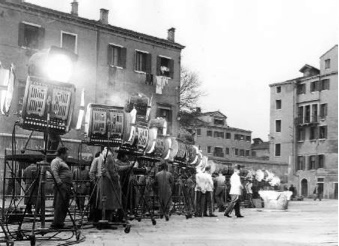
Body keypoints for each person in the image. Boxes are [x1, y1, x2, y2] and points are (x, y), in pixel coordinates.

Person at [50, 147, 72, 229]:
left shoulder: (62, 162)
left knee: (64, 204)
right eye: (66, 154)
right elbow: (54, 172)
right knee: (59, 204)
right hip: (61, 186)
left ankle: (60, 222)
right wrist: (59, 183)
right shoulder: (56, 161)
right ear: (62, 154)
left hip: (66, 185)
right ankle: (56, 223)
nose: (67, 156)